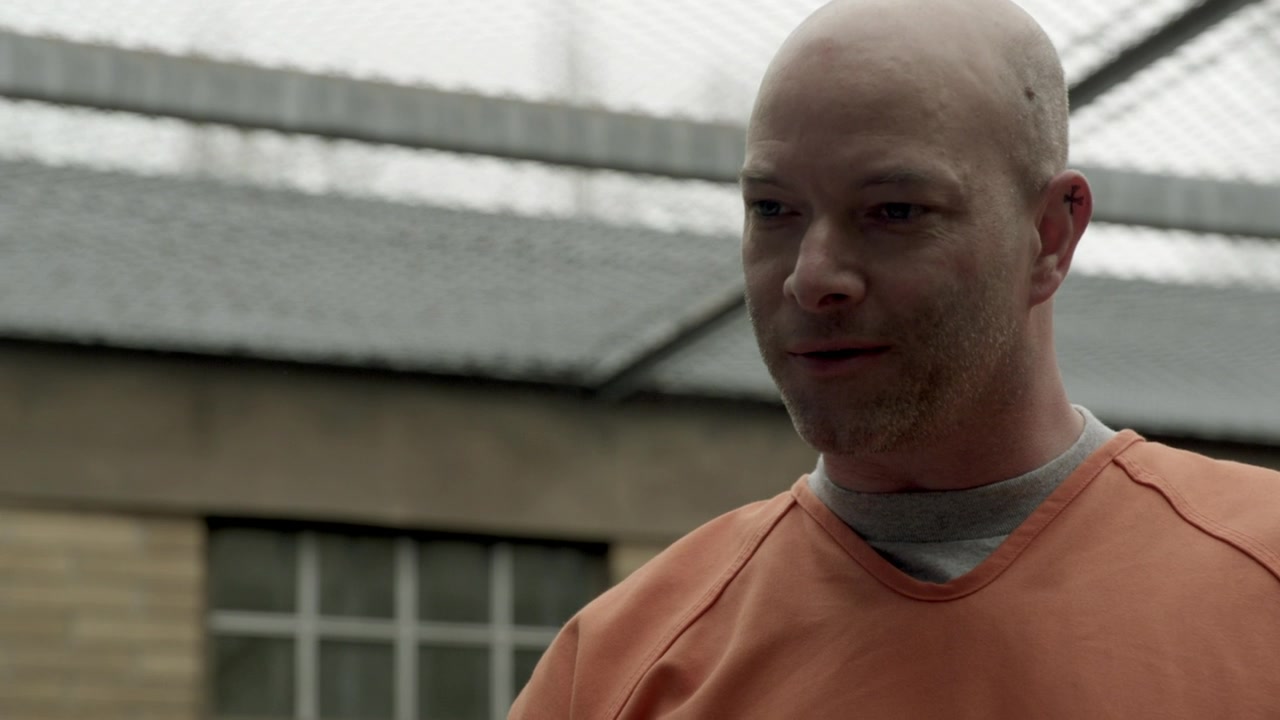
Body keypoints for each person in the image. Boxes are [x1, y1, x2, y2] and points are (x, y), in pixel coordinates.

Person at [511, 0, 1280, 716]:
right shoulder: (613, 668)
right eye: (772, 209)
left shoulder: (1259, 578)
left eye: (894, 211)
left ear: (1050, 236)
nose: (812, 277)